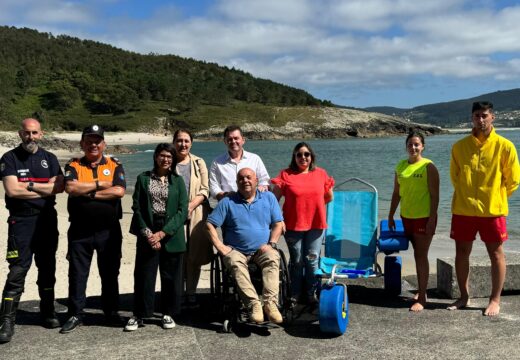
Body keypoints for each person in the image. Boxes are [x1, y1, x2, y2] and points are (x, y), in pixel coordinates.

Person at [448, 101, 520, 316]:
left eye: (484, 115)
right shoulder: (459, 147)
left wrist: (496, 197)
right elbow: (455, 177)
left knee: (496, 254)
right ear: (472, 118)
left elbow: (513, 180)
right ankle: (464, 296)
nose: (481, 119)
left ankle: (494, 299)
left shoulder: (504, 145)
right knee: (461, 253)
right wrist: (467, 195)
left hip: (493, 211)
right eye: (477, 115)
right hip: (463, 209)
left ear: (492, 117)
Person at [0, 118, 64, 343]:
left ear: (41, 134)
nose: (31, 137)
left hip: (47, 221)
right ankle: (7, 320)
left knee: (47, 269)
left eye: (35, 133)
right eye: (27, 133)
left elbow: (59, 187)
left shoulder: (50, 158)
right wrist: (43, 190)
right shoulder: (9, 158)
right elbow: (12, 190)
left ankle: (47, 311)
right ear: (20, 134)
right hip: (21, 222)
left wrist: (27, 185)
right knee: (17, 271)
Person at [60, 125, 126, 333]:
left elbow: (119, 191)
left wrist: (87, 192)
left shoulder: (114, 164)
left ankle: (111, 312)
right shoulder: (73, 164)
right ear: (82, 143)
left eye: (97, 141)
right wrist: (100, 184)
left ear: (104, 144)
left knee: (109, 273)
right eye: (89, 141)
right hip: (80, 230)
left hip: (109, 230)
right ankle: (76, 313)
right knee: (78, 273)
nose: (93, 144)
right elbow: (70, 188)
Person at [207, 168, 284, 324]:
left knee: (273, 257)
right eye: (241, 178)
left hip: (262, 249)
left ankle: (270, 304)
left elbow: (278, 224)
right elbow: (209, 225)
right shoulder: (227, 202)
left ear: (256, 180)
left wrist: (272, 243)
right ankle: (254, 304)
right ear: (236, 183)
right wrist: (221, 247)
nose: (245, 181)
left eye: (249, 177)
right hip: (236, 250)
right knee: (234, 261)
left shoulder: (268, 198)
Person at [125, 143, 188, 331]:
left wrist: (162, 233)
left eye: (169, 156)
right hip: (148, 231)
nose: (166, 159)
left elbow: (182, 210)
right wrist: (149, 234)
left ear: (173, 159)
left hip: (171, 232)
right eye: (162, 155)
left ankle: (168, 313)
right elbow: (137, 208)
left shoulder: (177, 181)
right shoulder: (143, 178)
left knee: (171, 276)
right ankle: (140, 314)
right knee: (145, 274)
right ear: (155, 157)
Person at [271, 142, 334, 305]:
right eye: (299, 154)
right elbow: (273, 201)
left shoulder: (320, 173)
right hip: (292, 225)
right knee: (297, 261)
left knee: (312, 261)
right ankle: (295, 293)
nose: (303, 157)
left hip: (316, 225)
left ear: (311, 156)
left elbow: (329, 197)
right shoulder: (286, 174)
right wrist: (277, 221)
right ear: (294, 157)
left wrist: (313, 206)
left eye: (306, 154)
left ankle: (311, 293)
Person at [388, 131, 439, 312]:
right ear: (406, 146)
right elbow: (396, 193)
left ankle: (422, 297)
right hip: (405, 217)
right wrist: (390, 215)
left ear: (423, 146)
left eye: (417, 144)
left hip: (423, 217)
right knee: (415, 254)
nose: (413, 147)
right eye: (410, 144)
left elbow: (435, 195)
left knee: (420, 255)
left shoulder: (428, 166)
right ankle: (421, 289)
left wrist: (432, 220)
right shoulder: (401, 166)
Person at [173, 129, 213, 307]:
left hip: (196, 213)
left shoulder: (199, 162)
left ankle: (191, 293)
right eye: (179, 140)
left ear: (191, 143)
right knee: (177, 255)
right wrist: (180, 211)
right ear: (174, 142)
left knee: (194, 256)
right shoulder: (168, 161)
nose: (183, 144)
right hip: (173, 215)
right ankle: (177, 293)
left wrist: (189, 207)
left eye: (186, 141)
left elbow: (205, 189)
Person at [209, 125, 269, 200]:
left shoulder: (255, 159)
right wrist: (224, 196)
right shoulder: (217, 162)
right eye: (230, 139)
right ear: (225, 141)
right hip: (228, 204)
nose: (233, 141)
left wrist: (261, 188)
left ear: (243, 140)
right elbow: (214, 187)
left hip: (253, 203)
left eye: (236, 138)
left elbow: (264, 181)